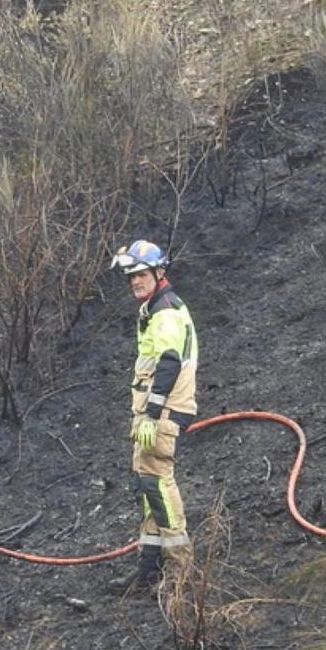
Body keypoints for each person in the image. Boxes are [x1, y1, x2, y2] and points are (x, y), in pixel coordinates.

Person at [108, 240, 198, 593]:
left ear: (159, 273)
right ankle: (149, 566)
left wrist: (152, 413)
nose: (135, 281)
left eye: (141, 274)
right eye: (131, 276)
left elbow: (170, 362)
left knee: (159, 483)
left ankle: (181, 570)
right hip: (151, 413)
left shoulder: (165, 313)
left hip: (160, 414)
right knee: (148, 485)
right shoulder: (156, 309)